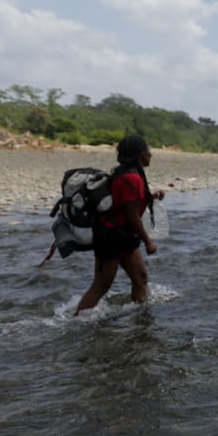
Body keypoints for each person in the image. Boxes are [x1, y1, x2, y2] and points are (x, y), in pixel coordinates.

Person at [75, 135, 164, 314]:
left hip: (122, 235)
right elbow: (132, 216)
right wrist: (148, 242)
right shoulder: (132, 178)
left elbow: (124, 204)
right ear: (140, 153)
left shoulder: (127, 173)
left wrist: (151, 197)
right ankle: (74, 322)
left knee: (140, 278)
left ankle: (141, 320)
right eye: (148, 149)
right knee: (101, 286)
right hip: (111, 236)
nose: (151, 154)